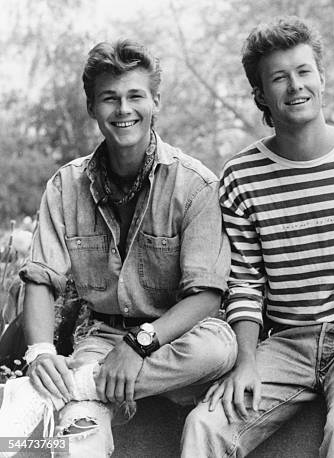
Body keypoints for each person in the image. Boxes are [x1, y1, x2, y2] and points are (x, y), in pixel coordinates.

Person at [0, 39, 237, 457]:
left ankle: (77, 383)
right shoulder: (66, 185)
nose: (123, 110)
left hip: (178, 338)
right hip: (103, 336)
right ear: (93, 107)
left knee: (220, 347)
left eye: (135, 96)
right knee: (80, 430)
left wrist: (139, 346)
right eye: (110, 99)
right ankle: (81, 389)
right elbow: (40, 277)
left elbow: (205, 295)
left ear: (156, 101)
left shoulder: (196, 184)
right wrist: (39, 353)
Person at [181, 16, 334, 458]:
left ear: (322, 78)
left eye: (303, 72)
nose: (295, 86)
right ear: (261, 94)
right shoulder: (241, 175)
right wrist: (245, 362)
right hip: (284, 343)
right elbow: (245, 281)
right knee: (205, 424)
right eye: (279, 78)